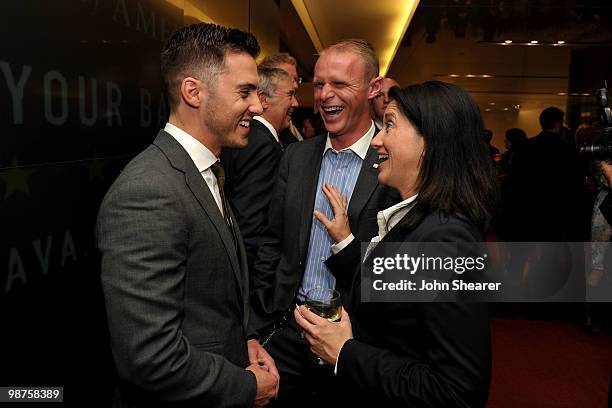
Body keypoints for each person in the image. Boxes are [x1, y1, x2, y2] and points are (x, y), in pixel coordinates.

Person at [96, 23, 278, 408]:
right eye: (244, 92)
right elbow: (150, 359)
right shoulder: (148, 192)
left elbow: (209, 295)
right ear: (193, 92)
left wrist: (244, 340)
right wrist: (245, 386)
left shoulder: (204, 169)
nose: (259, 107)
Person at [294, 82, 497, 407]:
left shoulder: (445, 240)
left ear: (431, 142)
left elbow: (457, 393)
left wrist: (346, 353)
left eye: (389, 125)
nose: (377, 140)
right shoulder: (414, 217)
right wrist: (345, 241)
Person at [250, 39, 397, 404]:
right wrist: (258, 322)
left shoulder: (394, 165)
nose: (325, 95)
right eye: (318, 84)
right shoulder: (296, 157)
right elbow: (272, 241)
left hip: (354, 343)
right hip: (286, 333)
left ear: (373, 88)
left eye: (340, 84)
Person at [222, 66, 298, 272]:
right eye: (290, 95)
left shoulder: (252, 136)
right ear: (264, 100)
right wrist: (257, 284)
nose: (296, 103)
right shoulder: (262, 144)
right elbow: (252, 221)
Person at [259, 53, 303, 148]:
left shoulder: (292, 115)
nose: (295, 85)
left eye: (296, 79)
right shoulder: (258, 136)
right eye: (285, 77)